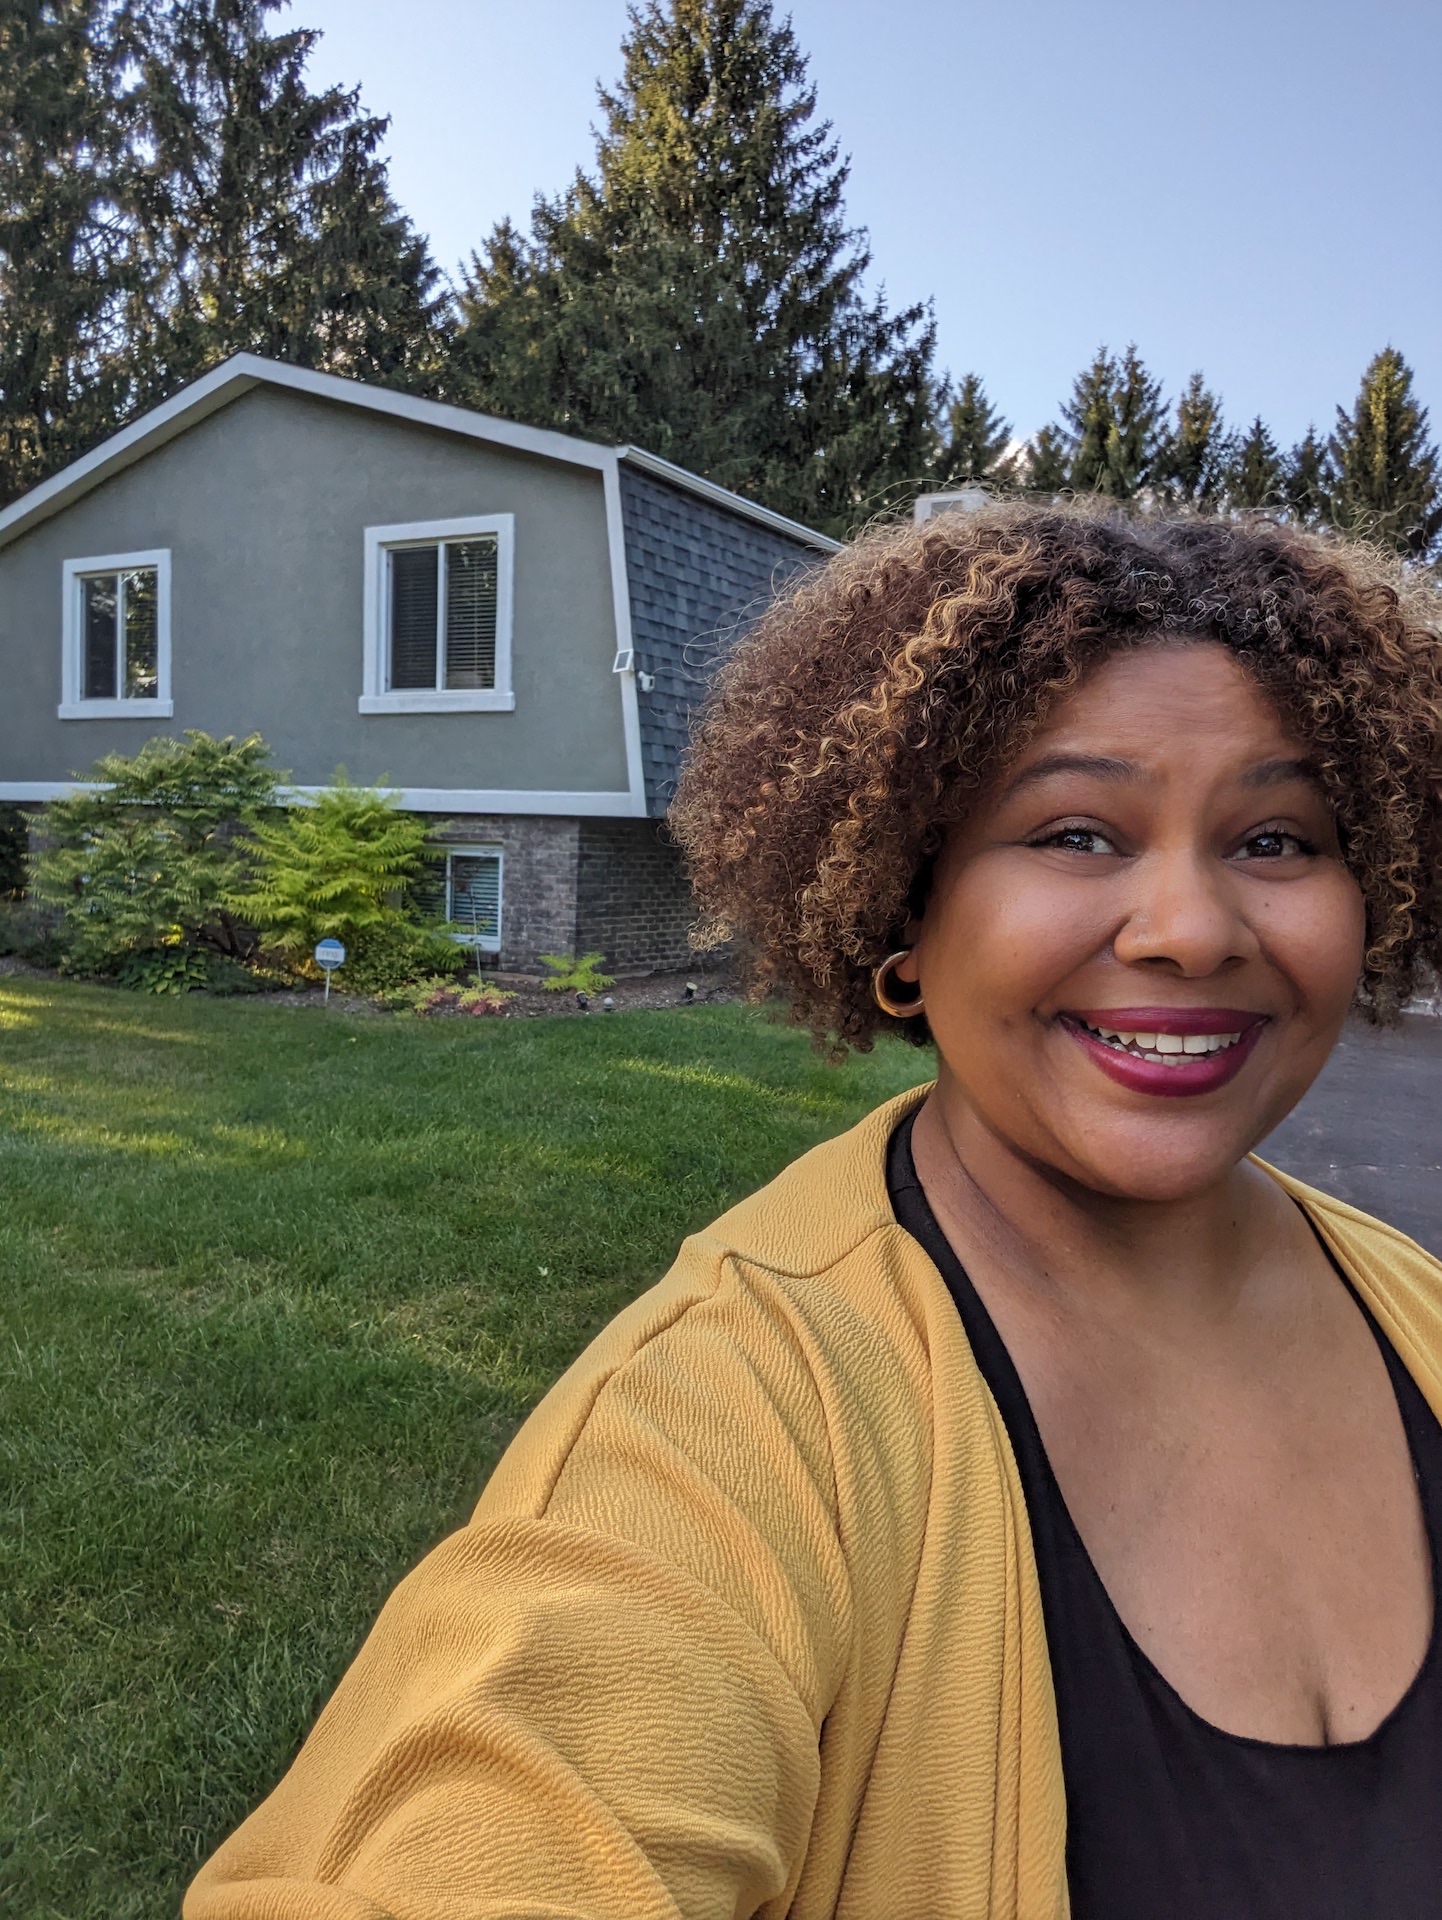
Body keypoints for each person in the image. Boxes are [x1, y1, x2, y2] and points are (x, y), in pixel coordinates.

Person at [187, 503, 1442, 1920]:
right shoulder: (728, 1413)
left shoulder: (1419, 1315)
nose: (1190, 927)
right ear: (903, 913)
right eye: (1078, 831)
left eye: (1277, 840)